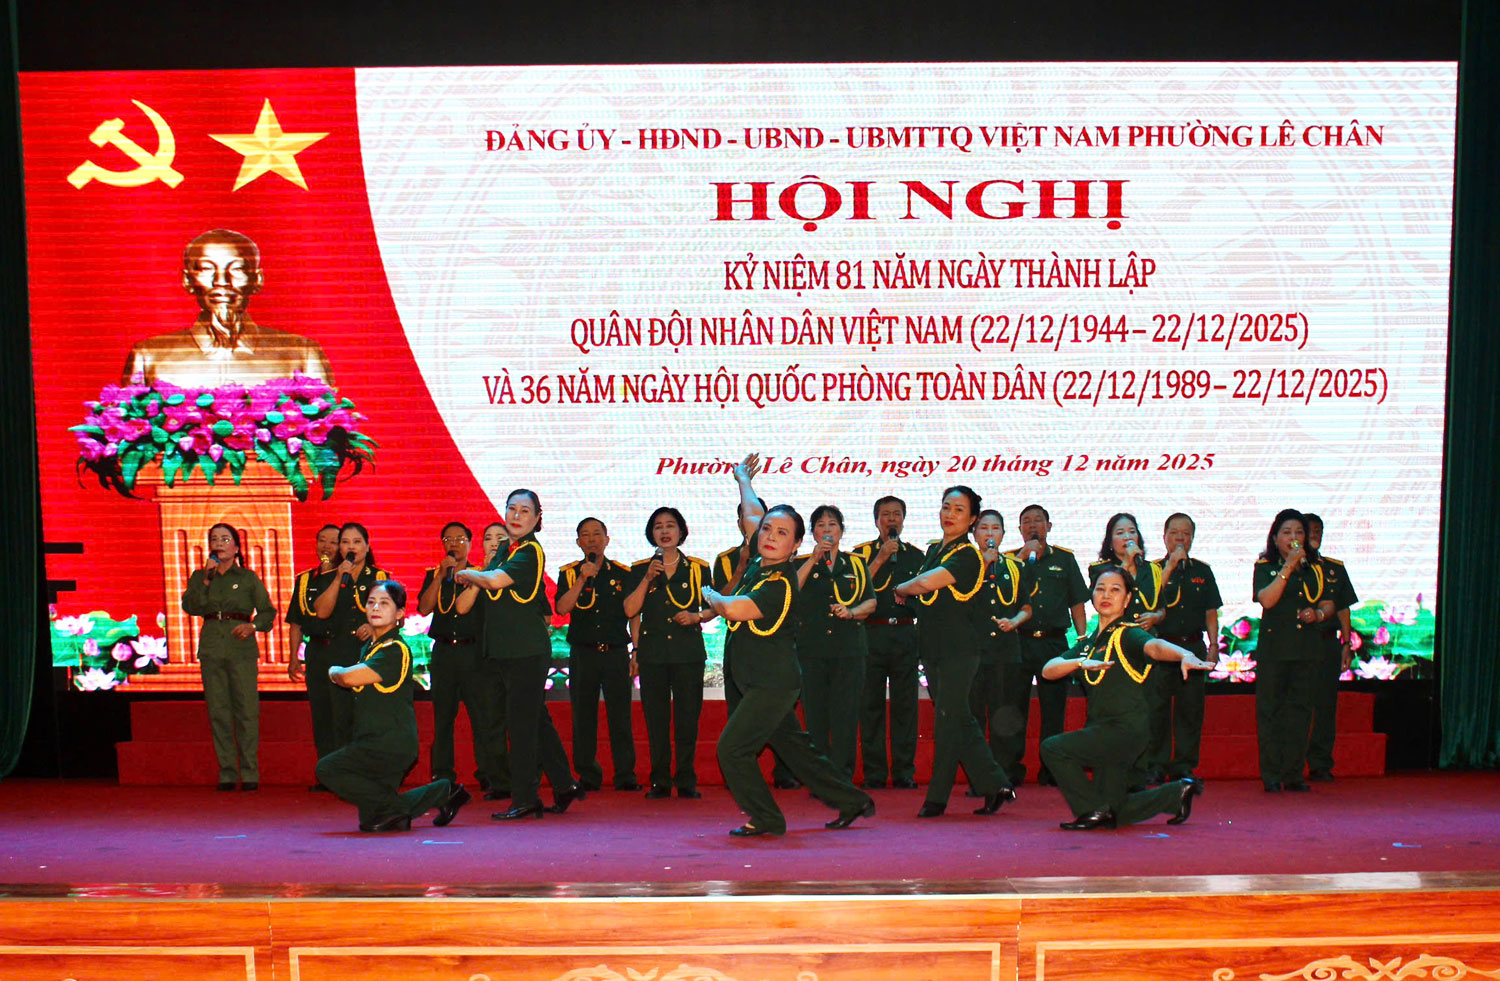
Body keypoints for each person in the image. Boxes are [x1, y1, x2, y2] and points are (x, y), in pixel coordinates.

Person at [703, 455, 875, 836]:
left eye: (781, 533)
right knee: (798, 752)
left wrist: (710, 594)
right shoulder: (760, 561)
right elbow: (752, 513)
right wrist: (743, 480)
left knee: (732, 749)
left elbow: (733, 609)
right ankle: (853, 801)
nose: (769, 535)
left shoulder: (779, 583)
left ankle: (766, 817)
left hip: (772, 684)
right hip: (755, 680)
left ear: (797, 544)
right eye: (767, 529)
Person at [1039, 566, 1214, 829]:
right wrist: (1079, 663)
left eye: (1115, 590)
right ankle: (1175, 794)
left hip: (1124, 731)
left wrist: (1184, 654)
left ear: (1128, 598)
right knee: (1114, 810)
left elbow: (1154, 647)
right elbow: (1048, 670)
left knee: (1053, 748)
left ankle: (1091, 810)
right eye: (1100, 589)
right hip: (1101, 731)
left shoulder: (1128, 633)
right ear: (1092, 594)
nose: (1106, 595)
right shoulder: (1087, 645)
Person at [456, 491, 583, 820]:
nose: (516, 515)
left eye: (525, 511)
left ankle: (526, 797)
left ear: (537, 518)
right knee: (535, 719)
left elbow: (496, 581)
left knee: (521, 726)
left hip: (526, 650)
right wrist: (480, 572)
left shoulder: (530, 551)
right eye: (511, 508)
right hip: (507, 650)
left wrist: (469, 574)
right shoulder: (504, 548)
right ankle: (565, 784)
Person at [894, 486, 1015, 818]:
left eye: (959, 510)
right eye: (946, 507)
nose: (949, 514)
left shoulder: (968, 555)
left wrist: (901, 588)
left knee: (951, 719)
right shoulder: (936, 549)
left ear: (972, 519)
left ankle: (938, 798)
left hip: (959, 650)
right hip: (933, 648)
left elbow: (923, 584)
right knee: (957, 719)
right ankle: (996, 784)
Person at [316, 580, 469, 832]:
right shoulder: (371, 646)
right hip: (371, 738)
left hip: (388, 744)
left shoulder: (394, 649)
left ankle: (424, 798)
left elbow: (348, 678)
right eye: (371, 602)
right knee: (374, 819)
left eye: (384, 603)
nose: (375, 607)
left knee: (327, 769)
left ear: (399, 614)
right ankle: (443, 792)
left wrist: (334, 671)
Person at [121, 229, 334, 388]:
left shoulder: (301, 353)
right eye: (206, 269)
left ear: (257, 279)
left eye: (237, 269)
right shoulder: (149, 355)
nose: (221, 281)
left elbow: (328, 428)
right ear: (188, 281)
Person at [625, 506, 714, 799]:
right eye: (658, 526)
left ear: (681, 531)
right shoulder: (640, 568)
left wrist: (696, 616)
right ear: (651, 533)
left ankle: (686, 779)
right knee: (657, 720)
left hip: (688, 654)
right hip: (653, 655)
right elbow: (630, 610)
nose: (664, 531)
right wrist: (647, 579)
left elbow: (715, 606)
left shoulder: (698, 568)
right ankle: (660, 781)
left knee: (687, 719)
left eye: (670, 525)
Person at [180, 523, 275, 791]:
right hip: (212, 647)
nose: (219, 544)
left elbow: (268, 612)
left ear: (236, 547)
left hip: (241, 648)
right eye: (214, 539)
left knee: (246, 710)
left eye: (225, 539)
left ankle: (250, 772)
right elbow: (191, 606)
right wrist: (206, 581)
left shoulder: (247, 577)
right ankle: (228, 773)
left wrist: (253, 626)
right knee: (218, 711)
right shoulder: (200, 576)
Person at [1002, 505, 1089, 786]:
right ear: (1019, 530)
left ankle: (1051, 769)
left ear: (1048, 527)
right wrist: (1020, 558)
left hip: (1054, 642)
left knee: (1053, 709)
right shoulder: (1009, 560)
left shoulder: (1064, 559)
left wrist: (1083, 640)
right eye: (1026, 522)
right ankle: (1010, 769)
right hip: (1018, 642)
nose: (1032, 526)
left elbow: (1077, 602)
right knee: (1013, 709)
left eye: (1038, 521)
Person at [1253, 509, 1336, 793]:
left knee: (1300, 713)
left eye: (1299, 532)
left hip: (1307, 650)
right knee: (1271, 712)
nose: (1294, 538)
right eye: (1287, 532)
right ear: (1275, 537)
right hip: (1275, 651)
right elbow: (1267, 600)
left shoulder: (1317, 568)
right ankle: (1271, 774)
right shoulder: (1265, 566)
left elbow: (1328, 603)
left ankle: (1293, 773)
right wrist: (1288, 567)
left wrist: (1319, 615)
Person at [555, 517, 639, 792]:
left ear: (607, 539)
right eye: (585, 535)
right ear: (578, 542)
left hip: (615, 653)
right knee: (583, 715)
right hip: (584, 653)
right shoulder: (570, 573)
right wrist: (583, 578)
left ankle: (625, 774)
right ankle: (588, 775)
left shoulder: (624, 573)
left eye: (596, 534)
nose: (591, 539)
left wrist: (636, 652)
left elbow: (633, 615)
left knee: (620, 715)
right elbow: (562, 608)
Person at [793, 505, 875, 779]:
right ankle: (821, 777)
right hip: (812, 649)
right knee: (815, 715)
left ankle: (842, 776)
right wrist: (813, 559)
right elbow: (790, 592)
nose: (827, 530)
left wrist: (851, 612)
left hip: (848, 649)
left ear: (841, 530)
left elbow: (871, 602)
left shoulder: (856, 563)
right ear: (813, 532)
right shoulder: (800, 563)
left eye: (832, 525)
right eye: (821, 525)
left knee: (846, 714)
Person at [851, 495, 927, 789]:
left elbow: (927, 597)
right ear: (876, 521)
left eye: (897, 514)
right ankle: (875, 772)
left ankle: (904, 771)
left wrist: (911, 598)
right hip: (871, 634)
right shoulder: (860, 555)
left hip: (905, 634)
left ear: (903, 521)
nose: (892, 519)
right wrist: (881, 557)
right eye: (886, 514)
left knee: (905, 705)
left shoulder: (917, 556)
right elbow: (854, 591)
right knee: (870, 705)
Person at [1088, 512, 1169, 785]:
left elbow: (1160, 606)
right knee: (1115, 709)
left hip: (1143, 644)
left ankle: (1144, 769)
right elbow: (1100, 600)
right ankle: (1113, 769)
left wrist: (1156, 616)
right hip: (1114, 645)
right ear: (1110, 541)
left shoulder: (1153, 570)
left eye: (1132, 532)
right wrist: (1126, 566)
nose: (1127, 537)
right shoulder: (1099, 569)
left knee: (1149, 707)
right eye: (1120, 533)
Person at [416, 520, 491, 810]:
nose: (454, 544)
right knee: (443, 717)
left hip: (473, 653)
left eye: (460, 539)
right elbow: (424, 608)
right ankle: (442, 775)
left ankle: (488, 774)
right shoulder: (434, 574)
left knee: (481, 717)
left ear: (470, 544)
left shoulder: (481, 575)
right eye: (449, 539)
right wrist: (439, 576)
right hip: (444, 653)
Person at [1150, 513, 1223, 780]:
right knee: (1156, 710)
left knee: (1190, 710)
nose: (1180, 538)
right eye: (1174, 533)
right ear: (1164, 537)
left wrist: (1213, 645)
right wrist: (1170, 566)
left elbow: (1211, 611)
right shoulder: (1154, 570)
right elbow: (1149, 600)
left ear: (1192, 538)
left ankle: (1183, 765)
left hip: (1192, 647)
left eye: (1186, 534)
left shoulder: (1202, 571)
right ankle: (1156, 765)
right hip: (1161, 648)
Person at [310, 522, 389, 758]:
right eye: (345, 542)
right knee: (332, 718)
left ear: (367, 546)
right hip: (335, 654)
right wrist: (338, 578)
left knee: (363, 716)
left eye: (356, 542)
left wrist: (373, 625)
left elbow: (397, 616)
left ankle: (364, 766)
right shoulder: (328, 576)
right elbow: (321, 612)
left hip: (366, 654)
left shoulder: (378, 577)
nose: (351, 547)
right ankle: (332, 768)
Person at [969, 510, 1033, 785]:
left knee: (1004, 714)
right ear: (974, 533)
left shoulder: (1015, 567)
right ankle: (980, 777)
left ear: (1004, 534)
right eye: (984, 528)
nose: (990, 534)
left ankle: (1003, 775)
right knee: (974, 716)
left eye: (995, 528)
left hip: (1006, 651)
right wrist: (983, 565)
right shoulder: (965, 565)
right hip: (973, 651)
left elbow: (1026, 607)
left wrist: (1015, 621)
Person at [1303, 513, 1358, 783]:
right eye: (1310, 530)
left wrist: (1346, 643)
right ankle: (1290, 762)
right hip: (1297, 643)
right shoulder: (1288, 567)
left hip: (1326, 644)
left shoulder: (1334, 568)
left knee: (1325, 707)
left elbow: (1343, 608)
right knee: (1296, 705)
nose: (1315, 535)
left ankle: (1320, 763)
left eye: (1319, 530)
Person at [284, 523, 340, 788]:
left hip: (343, 651)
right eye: (322, 541)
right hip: (316, 652)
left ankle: (347, 773)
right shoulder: (305, 580)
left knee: (344, 714)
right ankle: (326, 774)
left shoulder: (349, 577)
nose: (326, 547)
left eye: (333, 542)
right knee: (321, 714)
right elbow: (295, 622)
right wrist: (294, 657)